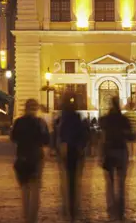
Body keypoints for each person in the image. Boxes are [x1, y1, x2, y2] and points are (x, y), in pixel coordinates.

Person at [11, 99, 49, 223]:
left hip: (22, 156)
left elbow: (13, 138)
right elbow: (46, 140)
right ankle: (33, 218)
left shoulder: (18, 122)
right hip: (36, 157)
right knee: (35, 189)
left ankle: (26, 217)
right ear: (36, 108)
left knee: (25, 189)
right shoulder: (40, 123)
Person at [100, 97, 134, 222]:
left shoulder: (105, 120)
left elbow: (102, 136)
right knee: (121, 183)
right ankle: (121, 210)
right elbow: (131, 136)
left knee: (110, 183)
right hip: (121, 151)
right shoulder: (124, 120)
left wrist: (101, 154)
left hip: (109, 152)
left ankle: (111, 208)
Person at [58, 94, 88, 222]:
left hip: (67, 151)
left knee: (67, 180)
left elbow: (60, 135)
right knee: (75, 180)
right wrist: (81, 147)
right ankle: (73, 206)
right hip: (76, 151)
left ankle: (68, 206)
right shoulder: (77, 118)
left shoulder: (62, 119)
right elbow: (84, 135)